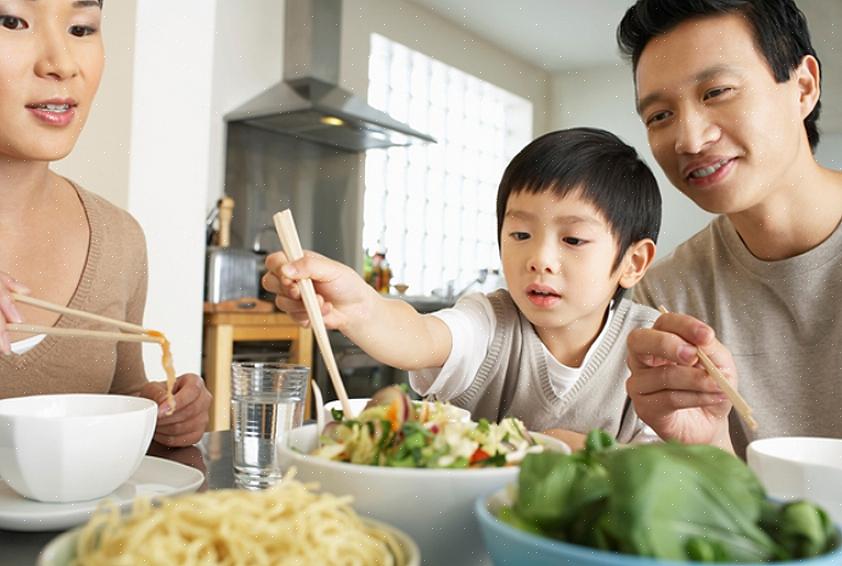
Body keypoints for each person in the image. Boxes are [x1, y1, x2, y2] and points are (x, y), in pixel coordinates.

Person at [264, 127, 663, 446]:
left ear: (632, 262)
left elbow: (669, 469)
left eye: (573, 240)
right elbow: (420, 336)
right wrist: (359, 307)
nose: (539, 258)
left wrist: (580, 449)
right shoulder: (490, 322)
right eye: (521, 234)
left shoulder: (650, 346)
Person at [617, 0, 842, 456]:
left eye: (716, 92)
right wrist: (710, 444)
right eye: (660, 116)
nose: (690, 140)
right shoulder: (667, 298)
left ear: (803, 87)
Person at [0, 0, 211, 446]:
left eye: (81, 28)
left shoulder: (120, 239)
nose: (61, 64)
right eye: (11, 21)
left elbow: (120, 394)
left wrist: (159, 410)